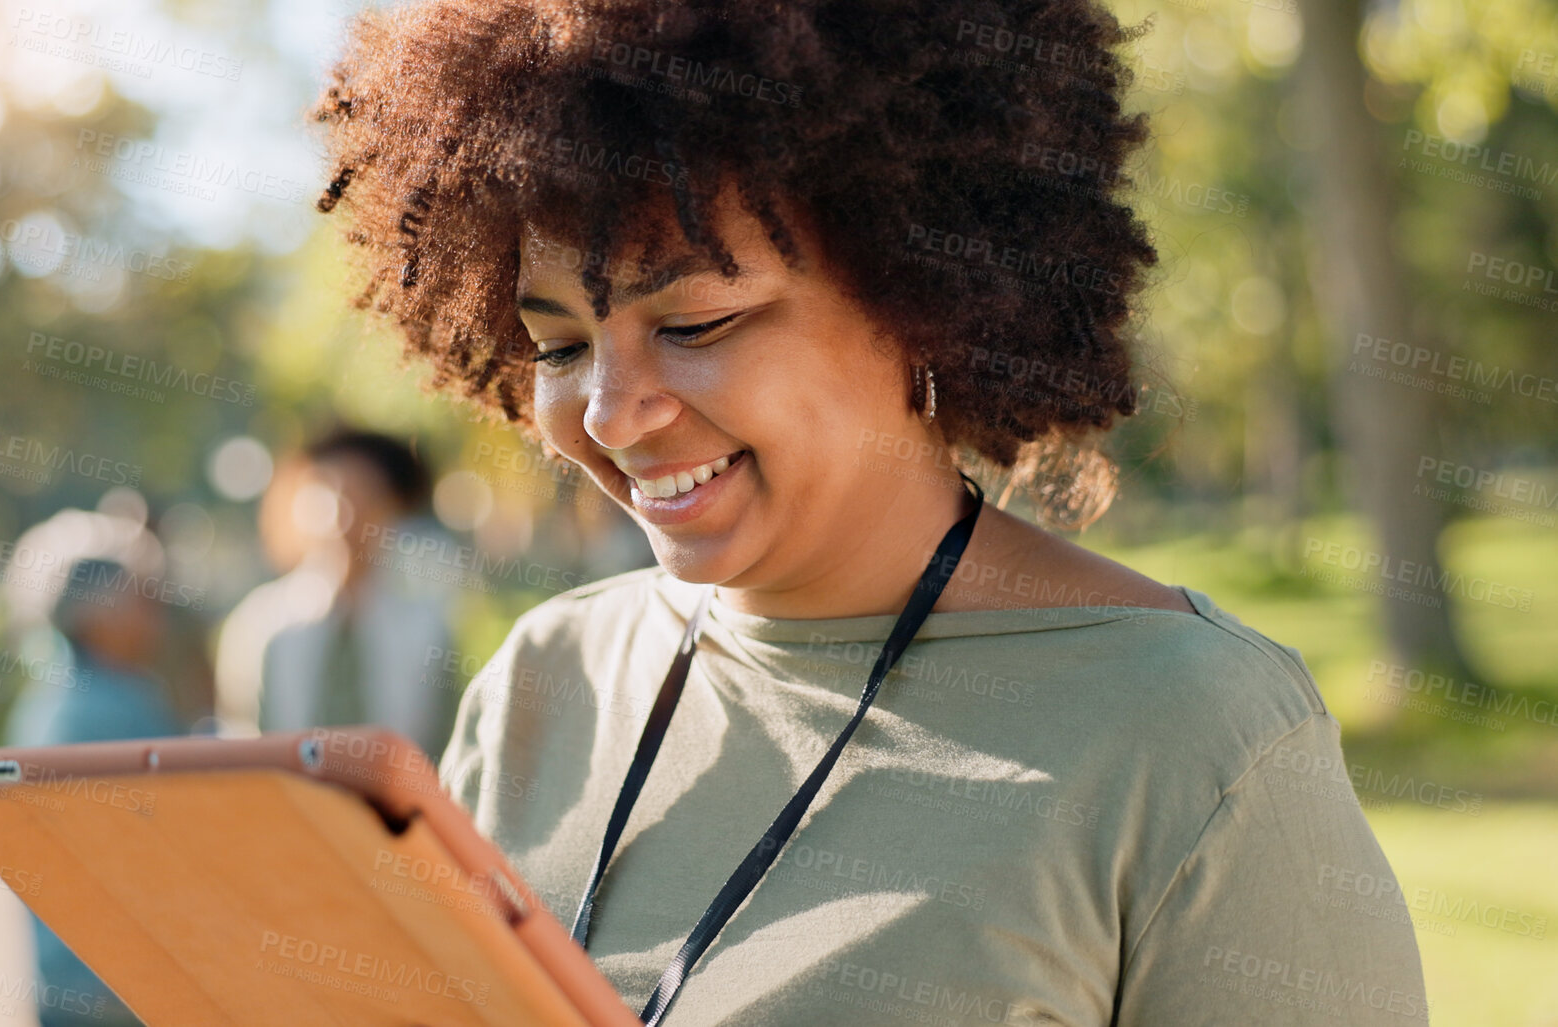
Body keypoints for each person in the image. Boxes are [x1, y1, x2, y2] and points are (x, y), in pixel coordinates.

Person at [307, 3, 1430, 1025]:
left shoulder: (1196, 733)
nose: (610, 412)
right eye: (559, 344)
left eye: (695, 323)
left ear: (922, 303)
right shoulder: (545, 680)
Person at [4, 556, 183, 1027]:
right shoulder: (127, 706)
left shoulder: (40, 705)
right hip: (123, 985)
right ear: (96, 618)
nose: (152, 615)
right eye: (137, 601)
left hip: (60, 972)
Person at [214, 428, 459, 759]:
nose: (344, 517)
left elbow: (439, 752)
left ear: (392, 511)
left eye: (365, 498)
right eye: (330, 496)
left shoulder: (427, 631)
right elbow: (243, 745)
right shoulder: (262, 625)